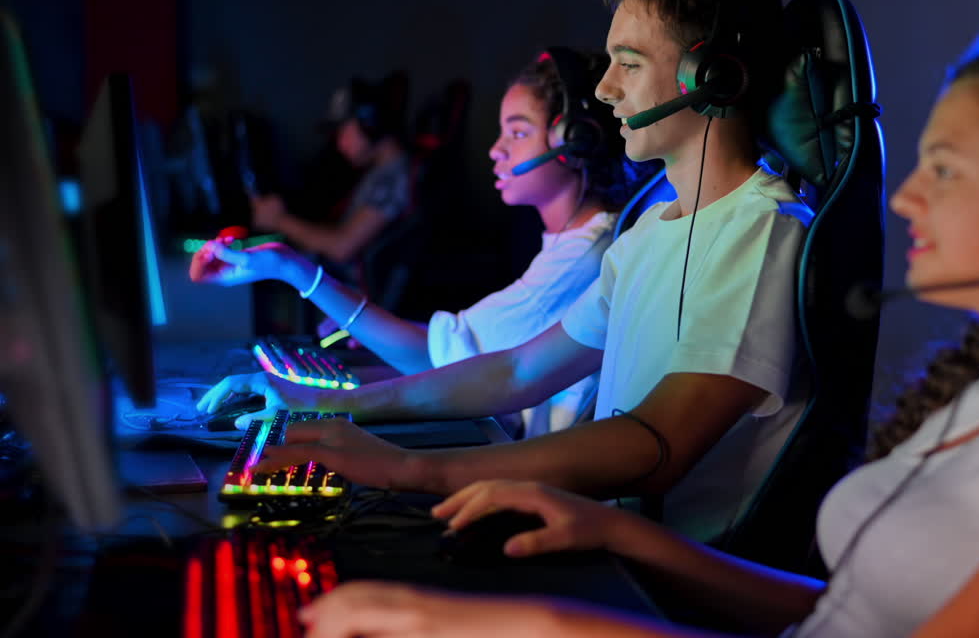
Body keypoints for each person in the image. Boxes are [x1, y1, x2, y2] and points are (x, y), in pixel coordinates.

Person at [284, 28, 979, 637]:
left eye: (942, 168)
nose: (903, 196)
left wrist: (544, 627)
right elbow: (844, 615)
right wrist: (620, 543)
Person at [228, 0, 805, 546]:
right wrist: (337, 408)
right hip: (603, 539)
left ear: (710, 77)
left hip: (663, 583)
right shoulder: (650, 234)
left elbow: (657, 444)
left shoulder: (762, 230)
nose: (605, 90)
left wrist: (410, 469)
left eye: (629, 64)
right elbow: (517, 369)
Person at [191, 47, 645, 438]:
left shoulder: (584, 257)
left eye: (519, 132)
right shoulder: (574, 243)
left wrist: (292, 269)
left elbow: (437, 357)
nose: (496, 149)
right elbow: (459, 351)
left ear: (576, 143)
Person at [249, 71, 413, 270]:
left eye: (342, 131)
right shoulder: (379, 171)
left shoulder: (391, 178)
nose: (339, 142)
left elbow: (341, 248)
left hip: (350, 295)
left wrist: (279, 220)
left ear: (369, 125)